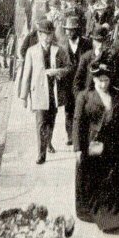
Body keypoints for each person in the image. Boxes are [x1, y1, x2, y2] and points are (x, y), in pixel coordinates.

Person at [73, 60, 119, 232]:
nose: (103, 84)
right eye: (100, 81)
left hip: (113, 145)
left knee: (114, 180)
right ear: (94, 79)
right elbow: (77, 122)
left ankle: (115, 217)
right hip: (92, 144)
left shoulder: (116, 95)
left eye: (106, 80)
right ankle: (100, 216)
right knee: (95, 181)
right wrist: (77, 148)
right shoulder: (84, 97)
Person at [19, 18, 70, 164]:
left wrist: (57, 71)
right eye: (44, 34)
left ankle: (48, 142)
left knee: (51, 121)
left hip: (54, 92)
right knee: (41, 122)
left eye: (49, 34)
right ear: (39, 35)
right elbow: (26, 75)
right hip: (38, 92)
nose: (47, 37)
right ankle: (41, 154)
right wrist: (23, 97)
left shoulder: (59, 50)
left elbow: (69, 67)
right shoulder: (31, 51)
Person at [61, 14, 92, 146]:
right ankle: (70, 135)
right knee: (69, 109)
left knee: (82, 108)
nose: (69, 32)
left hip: (82, 82)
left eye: (72, 30)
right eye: (67, 30)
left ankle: (82, 134)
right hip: (67, 82)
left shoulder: (86, 43)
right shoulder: (62, 45)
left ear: (77, 30)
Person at [73, 24, 110, 99]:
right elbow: (77, 82)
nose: (100, 45)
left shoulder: (110, 57)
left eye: (103, 41)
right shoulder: (86, 57)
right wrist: (80, 99)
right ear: (93, 41)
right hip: (89, 98)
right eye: (98, 41)